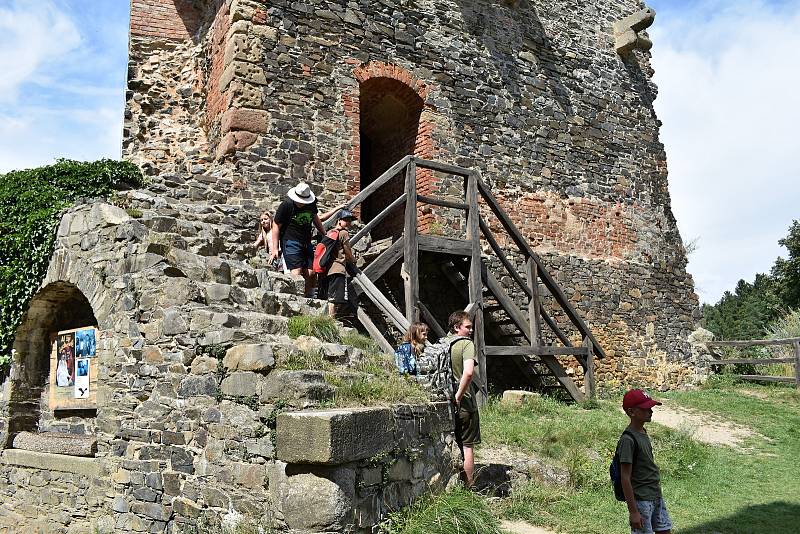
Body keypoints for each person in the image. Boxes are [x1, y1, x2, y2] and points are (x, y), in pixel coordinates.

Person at [270, 184, 344, 295]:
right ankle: (295, 298)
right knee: (297, 271)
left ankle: (309, 298)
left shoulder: (311, 204)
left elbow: (316, 219)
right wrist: (274, 249)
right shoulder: (286, 205)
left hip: (306, 242)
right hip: (290, 241)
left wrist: (324, 233)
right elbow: (276, 225)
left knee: (312, 272)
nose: (301, 203)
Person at [618, 389, 673, 534]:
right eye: (646, 408)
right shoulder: (627, 440)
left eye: (651, 408)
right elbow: (625, 477)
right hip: (641, 501)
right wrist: (633, 512)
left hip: (655, 495)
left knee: (665, 530)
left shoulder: (643, 432)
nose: (651, 411)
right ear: (631, 412)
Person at [447, 310, 480, 487]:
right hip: (464, 403)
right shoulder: (466, 344)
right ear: (456, 327)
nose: (471, 330)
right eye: (467, 327)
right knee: (467, 446)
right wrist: (458, 396)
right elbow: (468, 372)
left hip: (443, 402)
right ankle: (468, 488)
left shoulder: (443, 343)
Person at [320, 209, 357, 317]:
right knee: (335, 297)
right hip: (338, 268)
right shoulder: (344, 233)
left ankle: (327, 318)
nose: (349, 223)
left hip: (329, 268)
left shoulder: (331, 232)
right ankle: (331, 319)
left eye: (350, 220)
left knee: (330, 294)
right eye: (346, 220)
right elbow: (347, 250)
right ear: (339, 220)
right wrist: (353, 260)